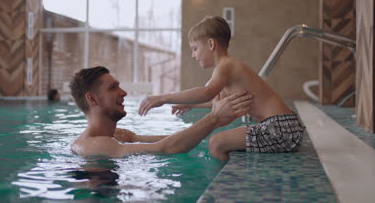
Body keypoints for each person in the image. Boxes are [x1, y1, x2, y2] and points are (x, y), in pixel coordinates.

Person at [138, 16, 305, 160]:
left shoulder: (226, 66)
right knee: (219, 140)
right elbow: (214, 101)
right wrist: (191, 105)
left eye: (195, 48)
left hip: (280, 129)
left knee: (216, 143)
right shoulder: (228, 70)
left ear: (211, 44)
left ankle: (225, 185)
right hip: (285, 127)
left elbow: (205, 92)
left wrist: (162, 98)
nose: (193, 55)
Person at [69, 66, 252, 157]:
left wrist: (210, 135)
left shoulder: (119, 136)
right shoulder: (93, 146)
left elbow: (168, 139)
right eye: (113, 88)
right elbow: (166, 148)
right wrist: (214, 118)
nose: (123, 92)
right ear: (92, 99)